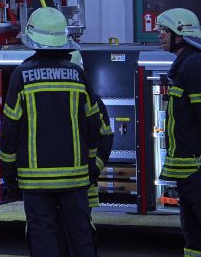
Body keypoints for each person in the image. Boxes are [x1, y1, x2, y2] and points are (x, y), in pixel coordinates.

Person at [0, 7, 101, 257]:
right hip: (75, 176)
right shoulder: (77, 74)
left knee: (42, 236)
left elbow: (10, 128)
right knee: (80, 235)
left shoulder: (22, 75)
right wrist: (91, 164)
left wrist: (9, 173)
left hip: (35, 178)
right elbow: (93, 124)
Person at [155, 8, 201, 257]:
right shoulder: (188, 63)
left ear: (179, 35)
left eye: (163, 31)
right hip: (193, 169)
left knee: (200, 232)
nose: (159, 36)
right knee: (200, 230)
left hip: (196, 169)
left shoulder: (192, 65)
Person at [58, 50, 114, 256]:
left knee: (75, 239)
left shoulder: (92, 101)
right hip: (73, 188)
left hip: (75, 190)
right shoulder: (90, 100)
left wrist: (93, 170)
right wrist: (92, 170)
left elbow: (105, 138)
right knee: (75, 240)